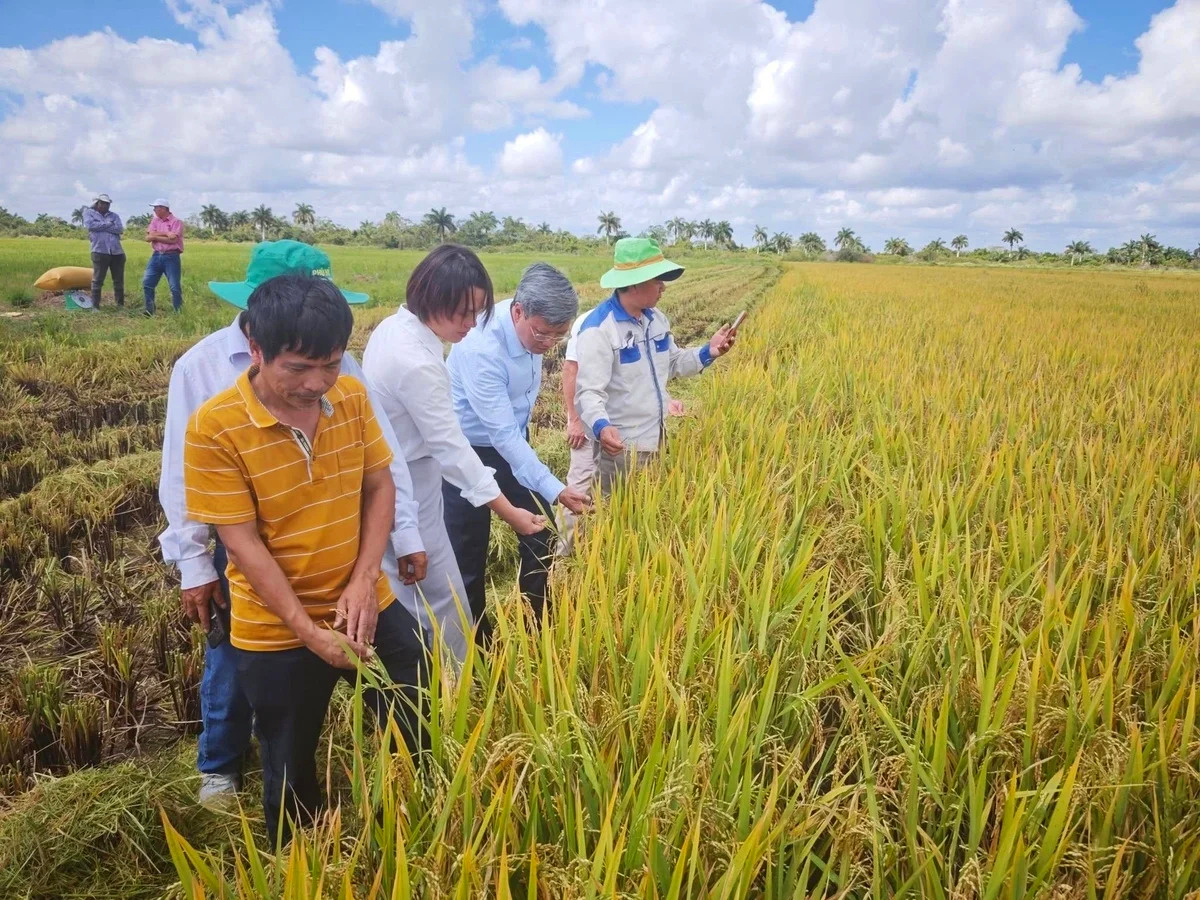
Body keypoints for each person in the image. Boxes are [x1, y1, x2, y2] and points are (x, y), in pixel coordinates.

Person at [158, 240, 427, 809]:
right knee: (288, 755)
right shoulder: (215, 426)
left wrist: (362, 583)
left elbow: (380, 483)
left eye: (329, 364)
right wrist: (309, 632)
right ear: (255, 348)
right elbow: (242, 544)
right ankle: (293, 856)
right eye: (299, 369)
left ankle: (421, 811)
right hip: (277, 622)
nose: (316, 383)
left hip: (360, 597)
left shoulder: (349, 394)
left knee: (414, 708)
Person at [363, 244, 546, 658]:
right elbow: (452, 450)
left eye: (477, 311)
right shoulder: (416, 361)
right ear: (430, 297)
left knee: (414, 592)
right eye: (461, 311)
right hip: (406, 481)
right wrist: (511, 512)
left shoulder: (396, 328)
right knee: (443, 599)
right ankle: (455, 687)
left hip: (397, 477)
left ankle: (430, 679)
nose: (470, 323)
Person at [443, 263, 590, 633]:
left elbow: (513, 436)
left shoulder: (536, 328)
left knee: (539, 530)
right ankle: (480, 643)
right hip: (465, 452)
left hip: (512, 442)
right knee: (468, 553)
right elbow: (501, 435)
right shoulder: (481, 349)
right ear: (518, 311)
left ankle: (537, 620)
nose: (546, 344)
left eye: (558, 337)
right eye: (542, 334)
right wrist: (556, 488)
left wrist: (545, 487)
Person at [574, 238, 736, 495]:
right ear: (635, 283)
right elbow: (588, 392)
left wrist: (709, 352)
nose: (663, 287)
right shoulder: (599, 329)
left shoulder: (656, 320)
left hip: (656, 438)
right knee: (612, 517)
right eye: (657, 280)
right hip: (620, 448)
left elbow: (672, 363)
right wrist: (601, 427)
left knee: (645, 514)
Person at [554, 306, 685, 557]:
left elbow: (646, 378)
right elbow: (572, 370)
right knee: (579, 494)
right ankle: (562, 562)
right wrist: (575, 419)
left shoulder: (651, 322)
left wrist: (666, 400)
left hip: (633, 436)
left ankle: (609, 555)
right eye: (655, 282)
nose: (661, 289)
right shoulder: (594, 324)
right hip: (594, 428)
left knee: (629, 497)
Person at [142, 198, 184, 315]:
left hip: (171, 256)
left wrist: (155, 236)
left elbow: (173, 240)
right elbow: (148, 237)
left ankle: (178, 311)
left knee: (174, 286)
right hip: (156, 256)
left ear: (164, 209)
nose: (154, 210)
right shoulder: (155, 221)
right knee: (147, 283)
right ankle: (149, 310)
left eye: (156, 208)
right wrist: (166, 233)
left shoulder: (176, 222)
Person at [82, 193, 125, 308]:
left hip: (117, 251)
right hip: (99, 251)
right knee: (97, 280)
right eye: (103, 203)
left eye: (108, 204)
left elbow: (119, 229)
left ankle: (120, 305)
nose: (106, 206)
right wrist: (108, 224)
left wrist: (101, 226)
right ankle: (95, 306)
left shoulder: (114, 216)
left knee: (118, 280)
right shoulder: (89, 213)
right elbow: (91, 226)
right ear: (98, 203)